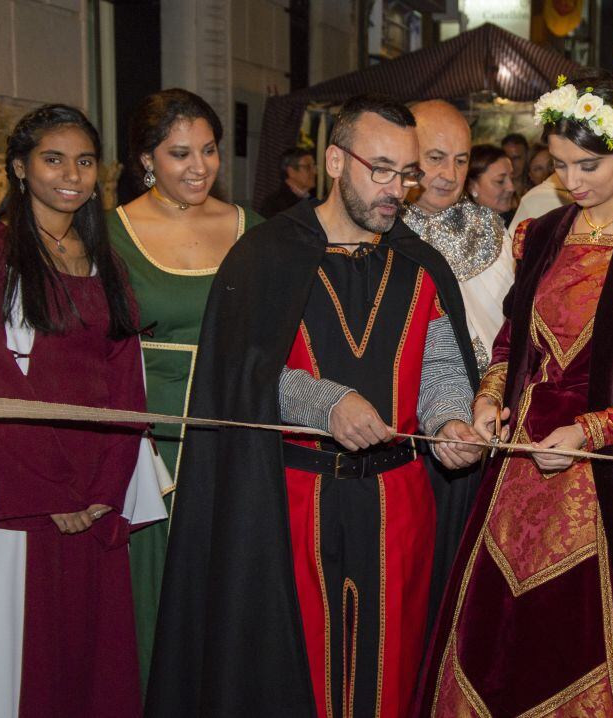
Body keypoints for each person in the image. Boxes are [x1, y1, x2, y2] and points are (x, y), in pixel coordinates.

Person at [415, 70, 613, 717]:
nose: (572, 181)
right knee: (497, 645)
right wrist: (489, 397)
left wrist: (591, 433)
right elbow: (514, 343)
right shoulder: (541, 233)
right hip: (522, 473)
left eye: (588, 165)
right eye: (561, 165)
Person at [146, 94, 485, 717]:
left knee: (394, 677)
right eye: (379, 168)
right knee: (296, 675)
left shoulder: (422, 265)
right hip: (292, 506)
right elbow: (242, 374)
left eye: (406, 173)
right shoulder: (266, 254)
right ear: (334, 160)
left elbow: (440, 365)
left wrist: (449, 422)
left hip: (400, 509)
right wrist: (322, 403)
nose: (397, 189)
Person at [0, 105, 166, 716]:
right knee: (14, 662)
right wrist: (52, 493)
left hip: (95, 493)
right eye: (53, 159)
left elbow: (127, 383)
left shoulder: (105, 259)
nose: (72, 174)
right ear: (20, 168)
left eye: (85, 160)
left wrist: (104, 486)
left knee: (92, 660)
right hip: (23, 499)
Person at [107, 87, 264, 691]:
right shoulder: (110, 233)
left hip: (239, 429)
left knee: (232, 582)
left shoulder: (253, 228)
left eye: (209, 150)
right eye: (179, 154)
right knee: (157, 585)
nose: (199, 167)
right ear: (145, 158)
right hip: (153, 437)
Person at [403, 100, 514, 368]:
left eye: (461, 161)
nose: (450, 174)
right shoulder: (381, 232)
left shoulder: (491, 229)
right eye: (436, 158)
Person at [466, 143, 516, 224]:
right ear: (472, 187)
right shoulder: (459, 229)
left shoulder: (519, 223)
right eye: (500, 181)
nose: (511, 188)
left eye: (512, 178)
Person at [260, 146, 317, 217]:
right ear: (291, 171)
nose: (314, 172)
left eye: (314, 166)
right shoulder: (274, 205)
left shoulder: (315, 200)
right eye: (307, 167)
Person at [501, 131, 529, 197]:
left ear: (527, 156)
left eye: (516, 158)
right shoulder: (497, 190)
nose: (511, 163)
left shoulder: (536, 184)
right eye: (507, 158)